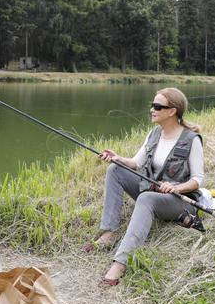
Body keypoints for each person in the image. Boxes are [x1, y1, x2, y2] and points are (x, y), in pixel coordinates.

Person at [87, 87, 205, 286]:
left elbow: (198, 180)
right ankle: (110, 233)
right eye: (152, 105)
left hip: (180, 201)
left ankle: (121, 262)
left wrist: (176, 188)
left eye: (158, 106)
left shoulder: (191, 140)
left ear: (172, 111)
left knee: (146, 197)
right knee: (115, 170)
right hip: (155, 193)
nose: (152, 109)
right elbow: (135, 163)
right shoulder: (154, 134)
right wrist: (117, 158)